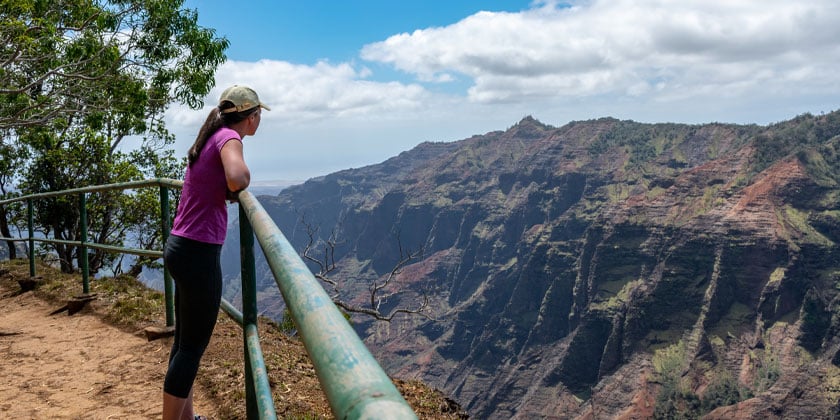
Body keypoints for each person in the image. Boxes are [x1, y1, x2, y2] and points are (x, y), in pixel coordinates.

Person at [162, 85, 269, 420]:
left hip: (180, 246)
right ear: (251, 117)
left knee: (183, 344)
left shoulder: (211, 135)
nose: (260, 119)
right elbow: (237, 177)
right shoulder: (228, 138)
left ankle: (186, 417)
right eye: (259, 114)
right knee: (192, 348)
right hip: (198, 254)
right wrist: (240, 182)